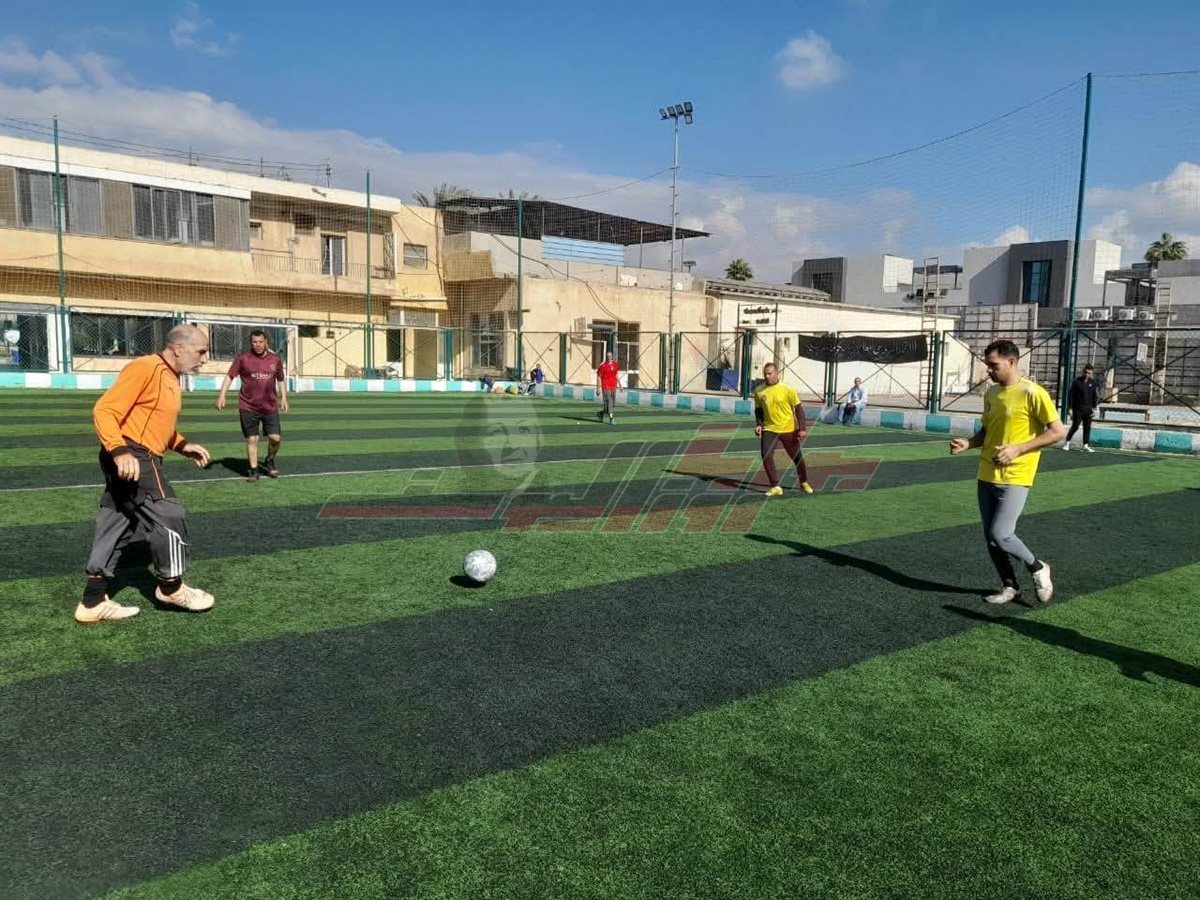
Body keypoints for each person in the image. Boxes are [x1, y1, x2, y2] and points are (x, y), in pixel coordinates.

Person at [75, 324, 216, 623]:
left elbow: (154, 423)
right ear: (178, 348)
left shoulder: (171, 376)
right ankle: (171, 587)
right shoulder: (146, 367)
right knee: (169, 513)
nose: (205, 359)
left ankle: (92, 600)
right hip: (133, 454)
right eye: (201, 352)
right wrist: (119, 450)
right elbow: (105, 410)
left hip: (134, 452)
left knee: (117, 520)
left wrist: (183, 445)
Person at [949, 339, 1065, 605]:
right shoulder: (991, 393)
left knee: (1002, 534)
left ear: (1012, 362)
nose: (988, 370)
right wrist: (969, 443)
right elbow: (987, 430)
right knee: (991, 539)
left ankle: (1038, 567)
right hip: (986, 473)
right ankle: (1010, 586)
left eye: (993, 365)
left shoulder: (1032, 393)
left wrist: (1018, 449)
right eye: (987, 365)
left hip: (1016, 475)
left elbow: (1058, 432)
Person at [217, 329, 289, 482]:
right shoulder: (243, 358)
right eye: (254, 342)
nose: (258, 345)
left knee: (275, 438)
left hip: (270, 407)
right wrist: (222, 395)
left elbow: (281, 379)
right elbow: (230, 376)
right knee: (252, 439)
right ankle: (254, 470)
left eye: (260, 342)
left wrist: (284, 398)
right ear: (251, 343)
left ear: (266, 342)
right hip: (248, 406)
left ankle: (269, 460)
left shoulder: (275, 359)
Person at [753, 362, 814, 497]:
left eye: (770, 373)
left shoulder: (788, 389)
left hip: (789, 429)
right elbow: (758, 410)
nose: (767, 376)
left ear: (777, 373)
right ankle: (775, 486)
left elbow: (798, 409)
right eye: (765, 374)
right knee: (766, 455)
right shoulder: (759, 391)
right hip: (769, 428)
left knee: (797, 457)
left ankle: (804, 481)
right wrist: (759, 424)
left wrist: (802, 428)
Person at [1063, 364, 1100, 452]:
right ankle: (1067, 442)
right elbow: (1071, 396)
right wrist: (1070, 408)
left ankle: (1085, 445)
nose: (1087, 374)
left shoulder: (1093, 383)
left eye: (1089, 373)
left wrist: (1094, 408)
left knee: (1087, 427)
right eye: (1085, 372)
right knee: (1075, 426)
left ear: (1092, 373)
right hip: (1078, 409)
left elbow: (1095, 396)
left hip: (1088, 409)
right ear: (1083, 372)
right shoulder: (1077, 382)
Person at [596, 350, 619, 425]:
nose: (609, 357)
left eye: (610, 356)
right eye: (607, 356)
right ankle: (611, 419)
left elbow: (616, 374)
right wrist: (598, 388)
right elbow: (598, 376)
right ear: (606, 357)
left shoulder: (615, 364)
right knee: (609, 402)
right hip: (606, 387)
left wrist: (620, 384)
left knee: (611, 405)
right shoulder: (602, 366)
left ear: (612, 356)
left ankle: (601, 413)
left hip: (613, 386)